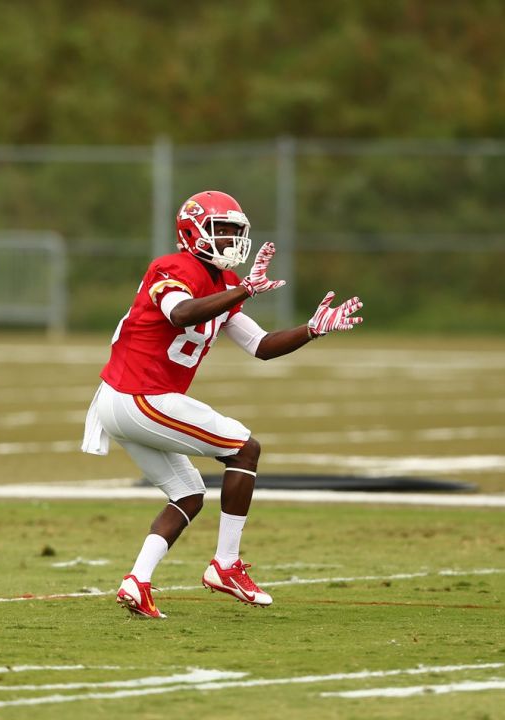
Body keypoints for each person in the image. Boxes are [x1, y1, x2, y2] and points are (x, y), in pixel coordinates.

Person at [82, 190, 363, 619]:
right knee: (244, 448)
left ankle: (137, 581)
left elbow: (262, 346)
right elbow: (180, 313)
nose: (231, 239)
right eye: (222, 230)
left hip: (134, 399)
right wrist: (245, 290)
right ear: (192, 231)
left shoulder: (226, 285)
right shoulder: (172, 267)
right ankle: (226, 565)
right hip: (138, 394)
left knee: (189, 493)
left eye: (236, 231)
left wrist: (311, 329)